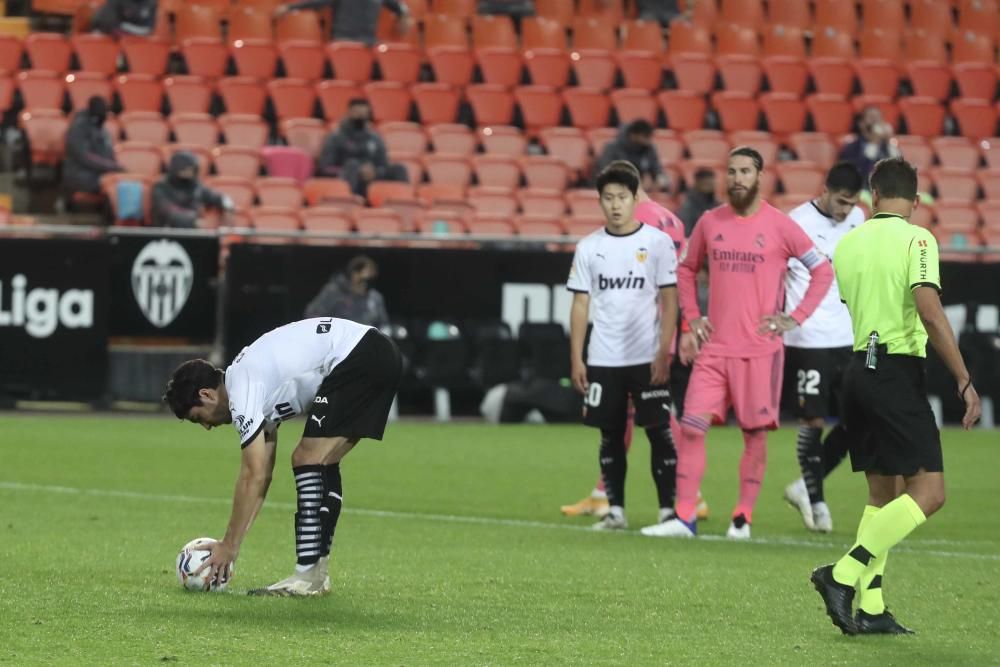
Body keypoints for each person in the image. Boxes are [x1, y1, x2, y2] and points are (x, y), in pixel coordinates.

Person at [810, 158, 980, 635]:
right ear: (917, 199)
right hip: (894, 370)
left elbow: (855, 303)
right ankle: (841, 575)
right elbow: (927, 309)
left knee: (883, 494)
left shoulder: (847, 244)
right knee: (929, 492)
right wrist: (963, 378)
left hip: (856, 372)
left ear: (873, 195)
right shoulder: (918, 239)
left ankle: (873, 606)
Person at [641, 147, 834, 540]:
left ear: (760, 176)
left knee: (754, 434)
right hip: (714, 350)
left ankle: (742, 518)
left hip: (760, 352)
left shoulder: (780, 226)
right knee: (692, 428)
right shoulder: (711, 222)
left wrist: (794, 318)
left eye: (745, 171)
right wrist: (693, 320)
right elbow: (687, 269)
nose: (737, 178)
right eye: (731, 172)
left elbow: (823, 271)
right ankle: (683, 517)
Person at [162, 317, 403, 596]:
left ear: (206, 395)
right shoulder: (250, 381)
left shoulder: (243, 388)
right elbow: (263, 476)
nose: (206, 426)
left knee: (307, 458)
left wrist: (227, 544)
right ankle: (316, 574)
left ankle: (306, 578)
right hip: (376, 352)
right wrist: (234, 545)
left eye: (197, 418)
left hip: (360, 355)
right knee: (320, 462)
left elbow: (252, 474)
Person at [561, 160, 709, 521]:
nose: (615, 204)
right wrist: (577, 358)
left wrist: (667, 347)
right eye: (608, 197)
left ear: (634, 196)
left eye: (621, 197)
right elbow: (580, 304)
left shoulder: (657, 238)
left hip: (647, 352)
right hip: (605, 356)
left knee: (658, 430)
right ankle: (614, 507)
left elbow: (671, 296)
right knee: (611, 432)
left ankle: (672, 506)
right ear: (600, 200)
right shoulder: (590, 247)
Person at [781, 163, 865, 534]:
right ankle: (815, 499)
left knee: (858, 421)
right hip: (808, 338)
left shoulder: (859, 219)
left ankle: (803, 485)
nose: (846, 210)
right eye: (842, 202)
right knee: (812, 420)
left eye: (852, 203)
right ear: (825, 190)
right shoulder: (795, 222)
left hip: (848, 337)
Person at [316, 98, 409, 198]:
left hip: (373, 179)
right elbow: (325, 168)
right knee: (353, 165)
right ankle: (350, 201)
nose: (361, 116)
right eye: (357, 113)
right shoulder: (335, 137)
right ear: (349, 112)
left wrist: (375, 172)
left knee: (400, 169)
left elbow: (384, 164)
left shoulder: (375, 138)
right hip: (346, 178)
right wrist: (352, 170)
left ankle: (402, 202)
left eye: (364, 114)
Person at [62, 96, 122, 204]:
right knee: (114, 184)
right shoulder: (78, 127)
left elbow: (108, 152)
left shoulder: (102, 129)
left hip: (100, 172)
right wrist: (110, 166)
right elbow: (84, 157)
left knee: (123, 181)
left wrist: (115, 166)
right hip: (80, 174)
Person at [304, 255, 389, 330]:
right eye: (362, 280)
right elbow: (313, 314)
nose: (364, 285)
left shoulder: (374, 298)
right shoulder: (333, 292)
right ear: (353, 273)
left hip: (365, 341)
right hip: (338, 340)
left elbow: (382, 323)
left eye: (369, 281)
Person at [273, 0, 411, 46]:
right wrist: (291, 8)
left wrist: (405, 15)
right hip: (344, 40)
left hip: (369, 43)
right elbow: (318, 2)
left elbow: (399, 6)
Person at [151, 151, 233, 228]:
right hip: (166, 235)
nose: (189, 172)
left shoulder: (195, 186)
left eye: (192, 169)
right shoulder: (161, 187)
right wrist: (194, 221)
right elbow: (167, 211)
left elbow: (218, 197)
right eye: (186, 169)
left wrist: (227, 207)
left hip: (193, 234)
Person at [594, 120, 668, 194]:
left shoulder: (649, 149)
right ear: (633, 135)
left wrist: (660, 179)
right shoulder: (612, 148)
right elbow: (605, 170)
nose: (648, 141)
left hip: (636, 190)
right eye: (645, 137)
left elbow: (657, 168)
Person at [838, 106, 900, 183]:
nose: (875, 121)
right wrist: (873, 143)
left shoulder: (887, 146)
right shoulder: (851, 148)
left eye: (878, 118)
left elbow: (900, 170)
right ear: (861, 124)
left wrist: (888, 142)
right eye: (871, 117)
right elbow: (860, 174)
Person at [676, 168, 720, 236]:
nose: (710, 185)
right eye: (706, 183)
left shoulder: (718, 205)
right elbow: (685, 233)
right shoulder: (688, 207)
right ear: (697, 182)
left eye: (711, 183)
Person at [90, 0, 158, 36]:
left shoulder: (151, 2)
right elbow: (104, 21)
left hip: (135, 38)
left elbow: (148, 29)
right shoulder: (116, 1)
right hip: (107, 34)